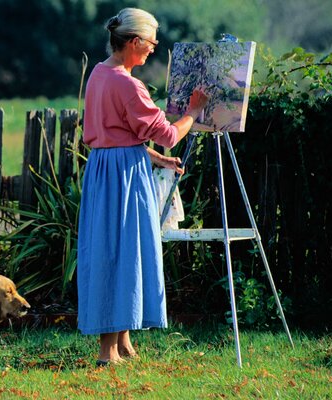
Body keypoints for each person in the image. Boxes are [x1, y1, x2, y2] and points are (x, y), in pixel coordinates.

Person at [77, 7, 209, 366]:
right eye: (151, 43)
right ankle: (107, 352)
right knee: (120, 253)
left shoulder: (99, 74)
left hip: (107, 170)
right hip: (124, 177)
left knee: (117, 250)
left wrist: (158, 159)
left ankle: (123, 342)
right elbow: (169, 133)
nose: (153, 48)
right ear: (134, 41)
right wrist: (193, 112)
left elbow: (117, 136)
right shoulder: (127, 83)